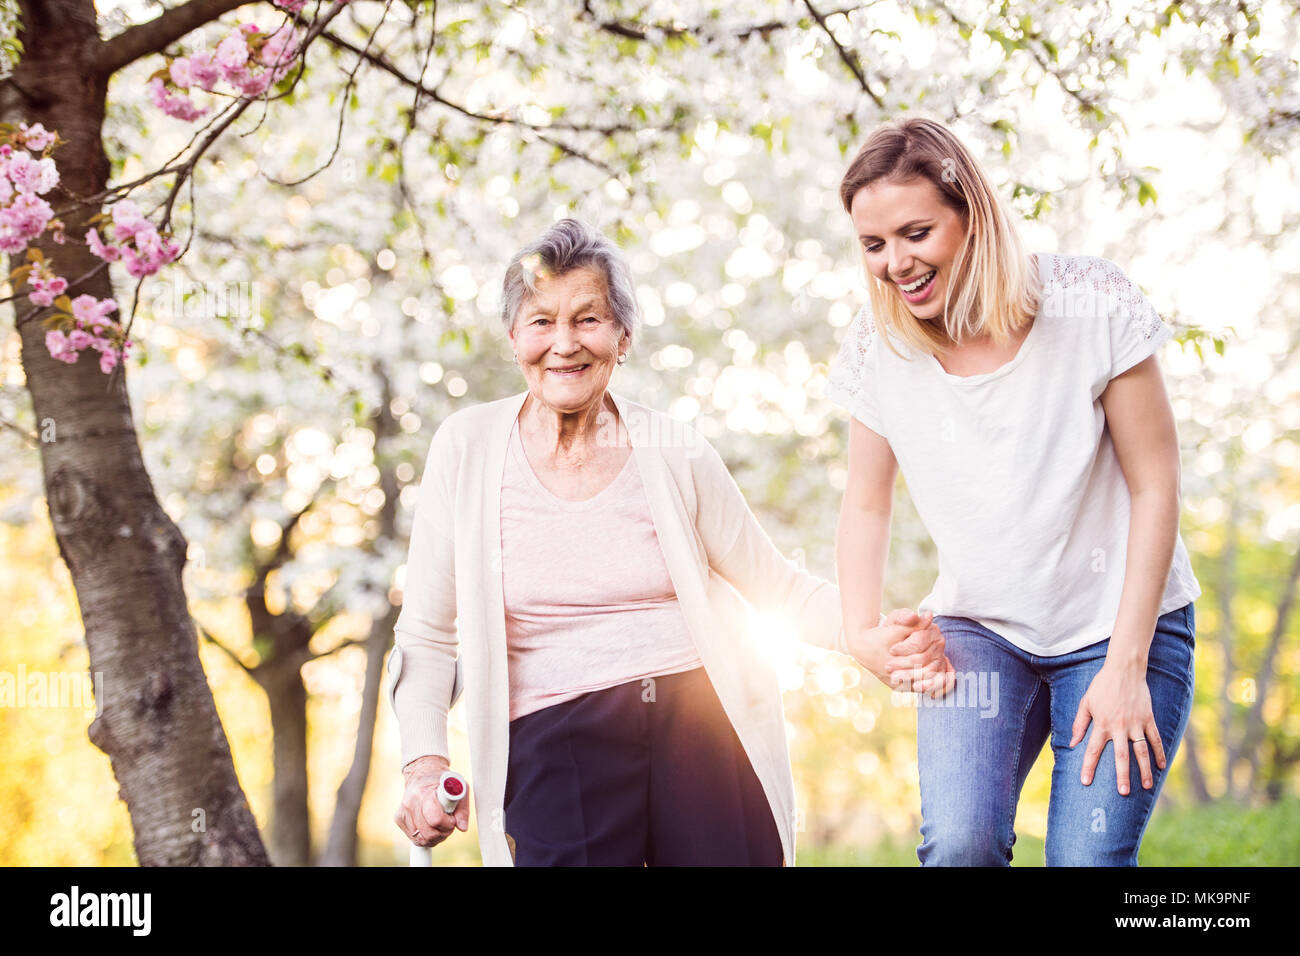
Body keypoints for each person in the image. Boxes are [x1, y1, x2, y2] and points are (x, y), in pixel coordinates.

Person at [389, 218, 951, 866]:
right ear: (514, 336)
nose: (564, 343)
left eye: (589, 319)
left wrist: (866, 635)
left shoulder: (674, 448)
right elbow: (428, 633)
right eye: (542, 321)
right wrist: (423, 764)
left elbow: (778, 587)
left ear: (623, 338)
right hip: (554, 732)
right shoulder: (467, 448)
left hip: (699, 718)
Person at [825, 117, 1202, 866]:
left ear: (972, 216)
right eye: (874, 245)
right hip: (982, 632)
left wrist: (1125, 667)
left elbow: (1156, 482)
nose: (896, 263)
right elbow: (866, 502)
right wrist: (860, 632)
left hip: (1120, 627)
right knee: (961, 845)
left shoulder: (1089, 303)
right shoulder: (878, 348)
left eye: (916, 233)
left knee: (1086, 859)